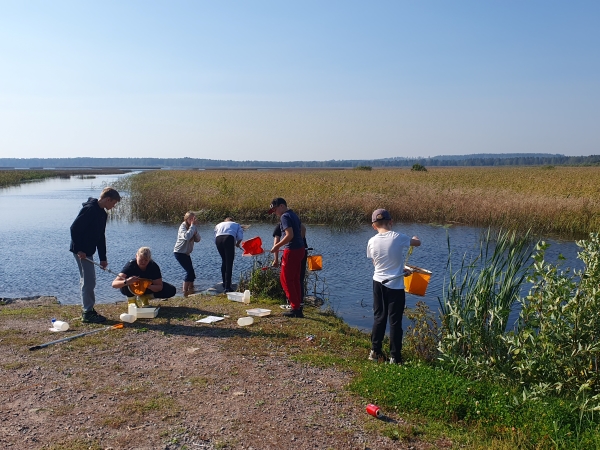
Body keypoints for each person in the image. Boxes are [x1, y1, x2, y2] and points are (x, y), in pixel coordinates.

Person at [367, 208, 421, 365]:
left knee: (379, 317)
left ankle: (375, 351)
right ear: (391, 222)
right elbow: (417, 243)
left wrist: (399, 269)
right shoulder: (398, 237)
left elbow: (376, 263)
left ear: (374, 226)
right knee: (395, 321)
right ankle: (395, 357)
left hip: (378, 282)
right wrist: (415, 238)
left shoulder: (371, 241)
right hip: (395, 286)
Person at [70, 186, 121, 323]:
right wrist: (79, 249)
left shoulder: (102, 214)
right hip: (81, 251)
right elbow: (74, 229)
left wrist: (103, 258)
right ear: (107, 199)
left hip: (88, 251)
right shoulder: (89, 210)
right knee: (88, 281)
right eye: (114, 203)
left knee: (89, 280)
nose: (114, 206)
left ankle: (88, 309)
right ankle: (87, 313)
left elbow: (100, 237)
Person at [268, 198, 305, 318]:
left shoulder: (284, 217)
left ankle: (295, 308)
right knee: (295, 279)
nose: (275, 212)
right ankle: (298, 307)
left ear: (282, 206)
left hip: (292, 250)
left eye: (275, 209)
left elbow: (289, 235)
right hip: (300, 249)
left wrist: (276, 247)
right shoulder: (293, 214)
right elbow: (302, 230)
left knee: (286, 280)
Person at [112, 247, 177, 303]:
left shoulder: (153, 266)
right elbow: (114, 284)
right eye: (141, 260)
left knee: (171, 290)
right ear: (136, 256)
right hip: (132, 288)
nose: (143, 262)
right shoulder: (130, 265)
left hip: (146, 288)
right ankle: (132, 301)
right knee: (124, 284)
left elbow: (159, 286)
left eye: (146, 260)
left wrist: (148, 286)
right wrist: (127, 281)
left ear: (149, 259)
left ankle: (145, 297)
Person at [272, 222, 308, 309]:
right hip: (302, 251)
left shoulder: (280, 226)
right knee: (299, 277)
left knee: (288, 279)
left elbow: (276, 244)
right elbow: (304, 229)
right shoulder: (297, 224)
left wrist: (276, 260)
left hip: (292, 253)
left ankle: (291, 303)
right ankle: (300, 302)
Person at [173, 211, 201, 296]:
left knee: (192, 272)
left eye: (194, 218)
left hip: (186, 253)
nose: (192, 220)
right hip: (179, 252)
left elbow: (198, 239)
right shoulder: (182, 227)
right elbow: (187, 236)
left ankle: (191, 289)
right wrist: (192, 227)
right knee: (189, 271)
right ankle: (185, 291)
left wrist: (195, 232)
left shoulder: (193, 227)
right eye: (190, 219)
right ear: (186, 219)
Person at [214, 217, 244, 293]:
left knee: (224, 261)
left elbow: (215, 235)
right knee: (229, 263)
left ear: (225, 221)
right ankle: (228, 287)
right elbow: (240, 237)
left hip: (218, 240)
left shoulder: (219, 224)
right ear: (232, 221)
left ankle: (224, 283)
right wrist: (237, 244)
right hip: (228, 238)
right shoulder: (236, 224)